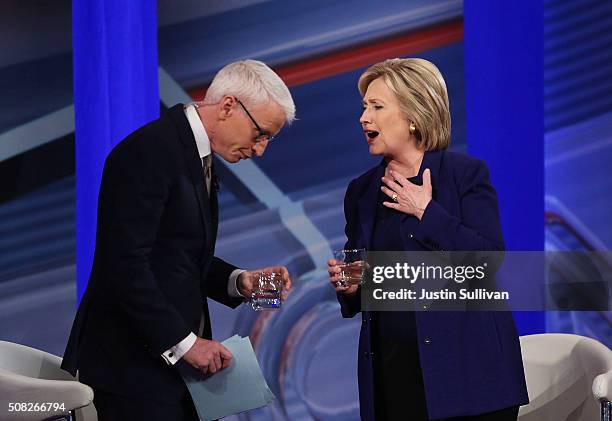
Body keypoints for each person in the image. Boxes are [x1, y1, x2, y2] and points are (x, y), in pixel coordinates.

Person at [62, 60, 295, 421]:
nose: (260, 150)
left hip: (172, 378)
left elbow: (177, 256)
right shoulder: (148, 152)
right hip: (131, 375)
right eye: (260, 133)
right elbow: (123, 266)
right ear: (229, 106)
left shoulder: (198, 155)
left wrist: (240, 283)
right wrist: (185, 344)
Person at [328, 58, 528, 420]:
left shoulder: (464, 175)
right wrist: (350, 285)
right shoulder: (361, 192)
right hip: (396, 380)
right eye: (364, 107)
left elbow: (488, 262)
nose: (364, 118)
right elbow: (365, 280)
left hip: (471, 378)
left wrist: (427, 213)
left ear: (413, 115)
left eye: (376, 106)